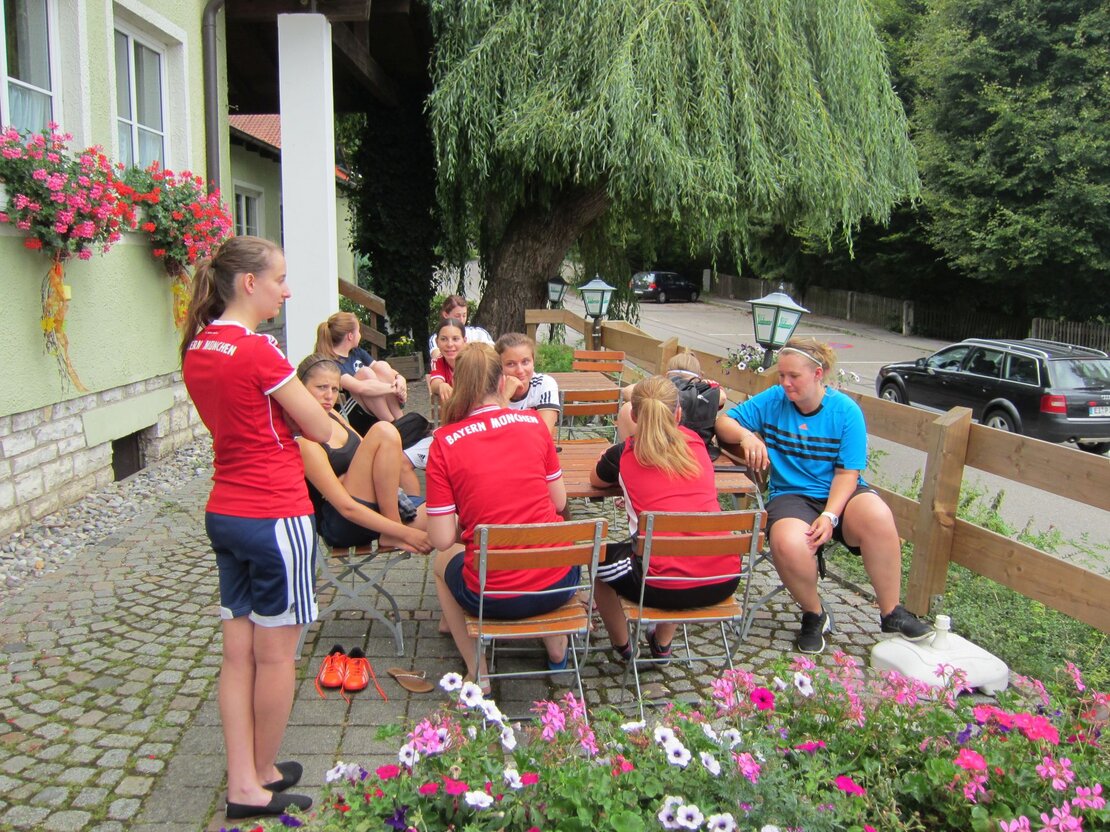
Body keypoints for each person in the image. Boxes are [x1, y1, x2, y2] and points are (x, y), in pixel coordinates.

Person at [180, 236, 325, 819]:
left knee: (237, 655)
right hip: (275, 512)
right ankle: (259, 776)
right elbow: (319, 426)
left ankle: (244, 777)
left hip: (227, 510)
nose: (285, 290)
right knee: (276, 657)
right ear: (249, 283)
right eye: (279, 279)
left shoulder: (198, 346)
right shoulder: (259, 350)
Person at [714, 336, 932, 654]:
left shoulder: (846, 411)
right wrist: (747, 437)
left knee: (878, 514)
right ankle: (814, 613)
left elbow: (847, 474)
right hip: (792, 494)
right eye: (782, 375)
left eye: (793, 376)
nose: (785, 383)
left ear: (818, 374)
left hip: (841, 491)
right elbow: (723, 422)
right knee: (787, 541)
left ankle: (891, 612)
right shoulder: (774, 399)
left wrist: (830, 516)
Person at [425, 344, 577, 687]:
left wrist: (473, 519)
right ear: (501, 381)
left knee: (441, 562)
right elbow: (558, 501)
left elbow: (441, 538)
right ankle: (557, 651)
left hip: (491, 595)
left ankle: (478, 671)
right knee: (547, 549)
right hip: (559, 582)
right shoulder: (534, 423)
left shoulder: (444, 442)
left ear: (458, 384)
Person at [591, 376, 742, 662]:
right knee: (678, 544)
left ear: (634, 416)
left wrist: (609, 457)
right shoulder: (697, 444)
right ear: (678, 413)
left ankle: (624, 647)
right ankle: (661, 643)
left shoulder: (623, 454)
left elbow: (596, 481)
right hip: (723, 577)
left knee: (597, 561)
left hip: (661, 585)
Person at [294, 354, 432, 556]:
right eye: (321, 387)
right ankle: (393, 529)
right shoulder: (304, 439)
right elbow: (346, 507)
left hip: (377, 505)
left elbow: (367, 452)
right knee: (383, 430)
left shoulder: (333, 415)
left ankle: (471, 577)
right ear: (301, 388)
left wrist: (351, 477)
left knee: (452, 520)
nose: (329, 396)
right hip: (343, 522)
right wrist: (403, 532)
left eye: (334, 389)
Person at [617, 352, 724, 456]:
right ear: (699, 375)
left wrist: (654, 387)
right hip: (700, 452)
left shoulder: (664, 392)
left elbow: (626, 391)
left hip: (658, 450)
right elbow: (722, 397)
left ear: (667, 373)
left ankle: (626, 455)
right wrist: (706, 386)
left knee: (628, 408)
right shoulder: (706, 395)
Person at [316, 312, 407, 423]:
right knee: (365, 373)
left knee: (382, 365)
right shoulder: (332, 363)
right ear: (350, 336)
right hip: (353, 412)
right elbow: (360, 388)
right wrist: (394, 389)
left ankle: (401, 420)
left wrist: (400, 379)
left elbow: (384, 370)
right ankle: (392, 423)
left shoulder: (356, 352)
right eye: (358, 331)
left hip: (372, 406)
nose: (360, 335)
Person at [496, 332, 561, 435]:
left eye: (525, 362)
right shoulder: (491, 389)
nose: (520, 370)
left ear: (533, 362)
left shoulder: (544, 384)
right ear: (499, 367)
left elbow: (543, 434)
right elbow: (491, 433)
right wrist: (505, 396)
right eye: (511, 364)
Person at [427, 294, 493, 360]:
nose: (461, 320)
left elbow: (493, 353)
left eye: (464, 315)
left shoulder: (479, 333)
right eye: (457, 316)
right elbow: (437, 357)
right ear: (445, 315)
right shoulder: (437, 337)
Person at [427, 317, 466, 403]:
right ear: (437, 342)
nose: (450, 344)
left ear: (464, 341)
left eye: (455, 339)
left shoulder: (472, 360)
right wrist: (441, 385)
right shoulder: (438, 361)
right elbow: (435, 382)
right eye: (444, 339)